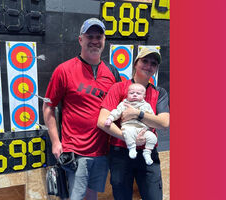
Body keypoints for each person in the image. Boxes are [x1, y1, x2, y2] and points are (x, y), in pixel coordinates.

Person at [43, 18, 120, 200]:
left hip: (101, 151)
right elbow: (48, 106)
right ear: (80, 40)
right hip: (76, 151)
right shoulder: (64, 70)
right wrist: (55, 141)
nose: (94, 40)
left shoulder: (112, 72)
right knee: (76, 197)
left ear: (104, 40)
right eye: (89, 36)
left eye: (98, 36)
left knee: (92, 196)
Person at [97, 46, 170, 200]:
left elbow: (164, 123)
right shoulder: (118, 88)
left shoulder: (159, 93)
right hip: (120, 153)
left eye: (153, 63)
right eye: (145, 61)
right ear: (136, 63)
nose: (149, 66)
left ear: (156, 68)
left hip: (148, 153)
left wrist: (137, 113)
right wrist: (128, 138)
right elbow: (102, 121)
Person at [104, 83, 157, 165]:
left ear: (144, 96)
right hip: (129, 126)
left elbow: (152, 118)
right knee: (128, 133)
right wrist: (110, 118)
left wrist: (150, 128)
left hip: (143, 129)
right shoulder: (124, 104)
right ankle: (132, 148)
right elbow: (116, 112)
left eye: (138, 93)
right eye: (132, 93)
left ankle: (147, 152)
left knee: (153, 137)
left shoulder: (146, 105)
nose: (135, 95)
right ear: (127, 94)